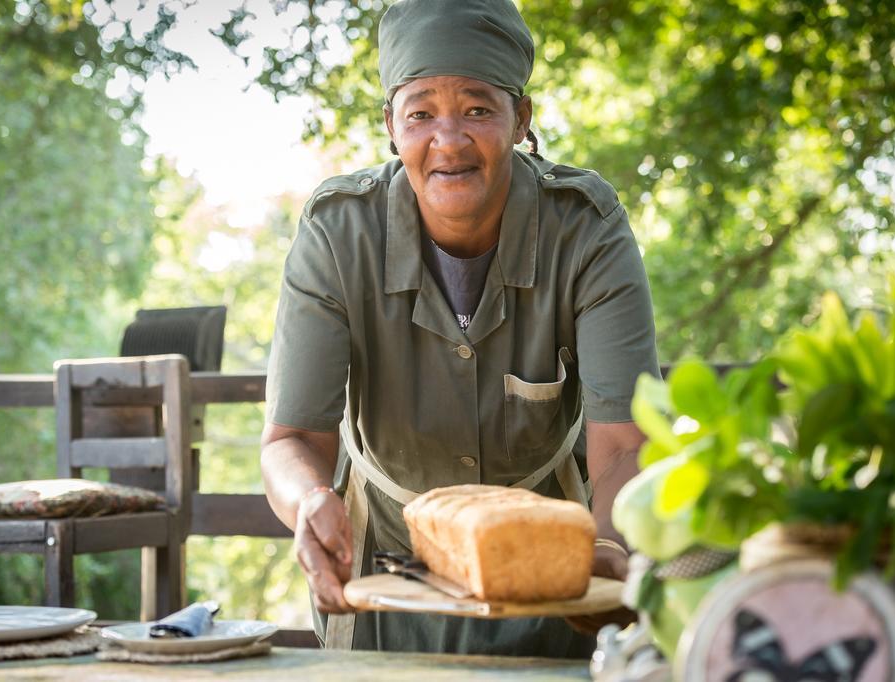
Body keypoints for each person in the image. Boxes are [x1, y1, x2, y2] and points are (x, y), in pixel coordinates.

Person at [261, 0, 659, 658]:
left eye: (477, 108)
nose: (448, 140)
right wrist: (307, 500)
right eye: (420, 112)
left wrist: (607, 544)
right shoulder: (338, 232)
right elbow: (290, 438)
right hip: (386, 582)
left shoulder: (585, 226)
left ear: (520, 119)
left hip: (553, 585)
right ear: (391, 126)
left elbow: (622, 443)